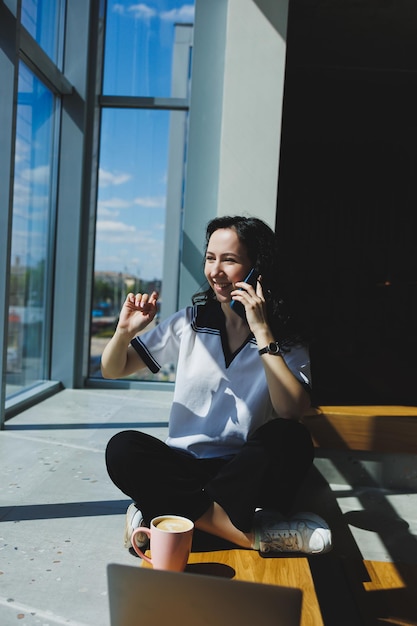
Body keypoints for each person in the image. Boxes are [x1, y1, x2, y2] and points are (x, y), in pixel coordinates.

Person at [103, 215, 331, 555]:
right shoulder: (190, 322)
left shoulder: (286, 336)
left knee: (292, 439)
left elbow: (291, 409)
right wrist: (124, 332)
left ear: (258, 269)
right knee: (122, 449)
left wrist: (262, 331)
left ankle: (157, 515)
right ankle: (248, 535)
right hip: (185, 467)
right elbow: (113, 368)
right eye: (211, 258)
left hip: (243, 474)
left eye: (230, 260)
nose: (215, 271)